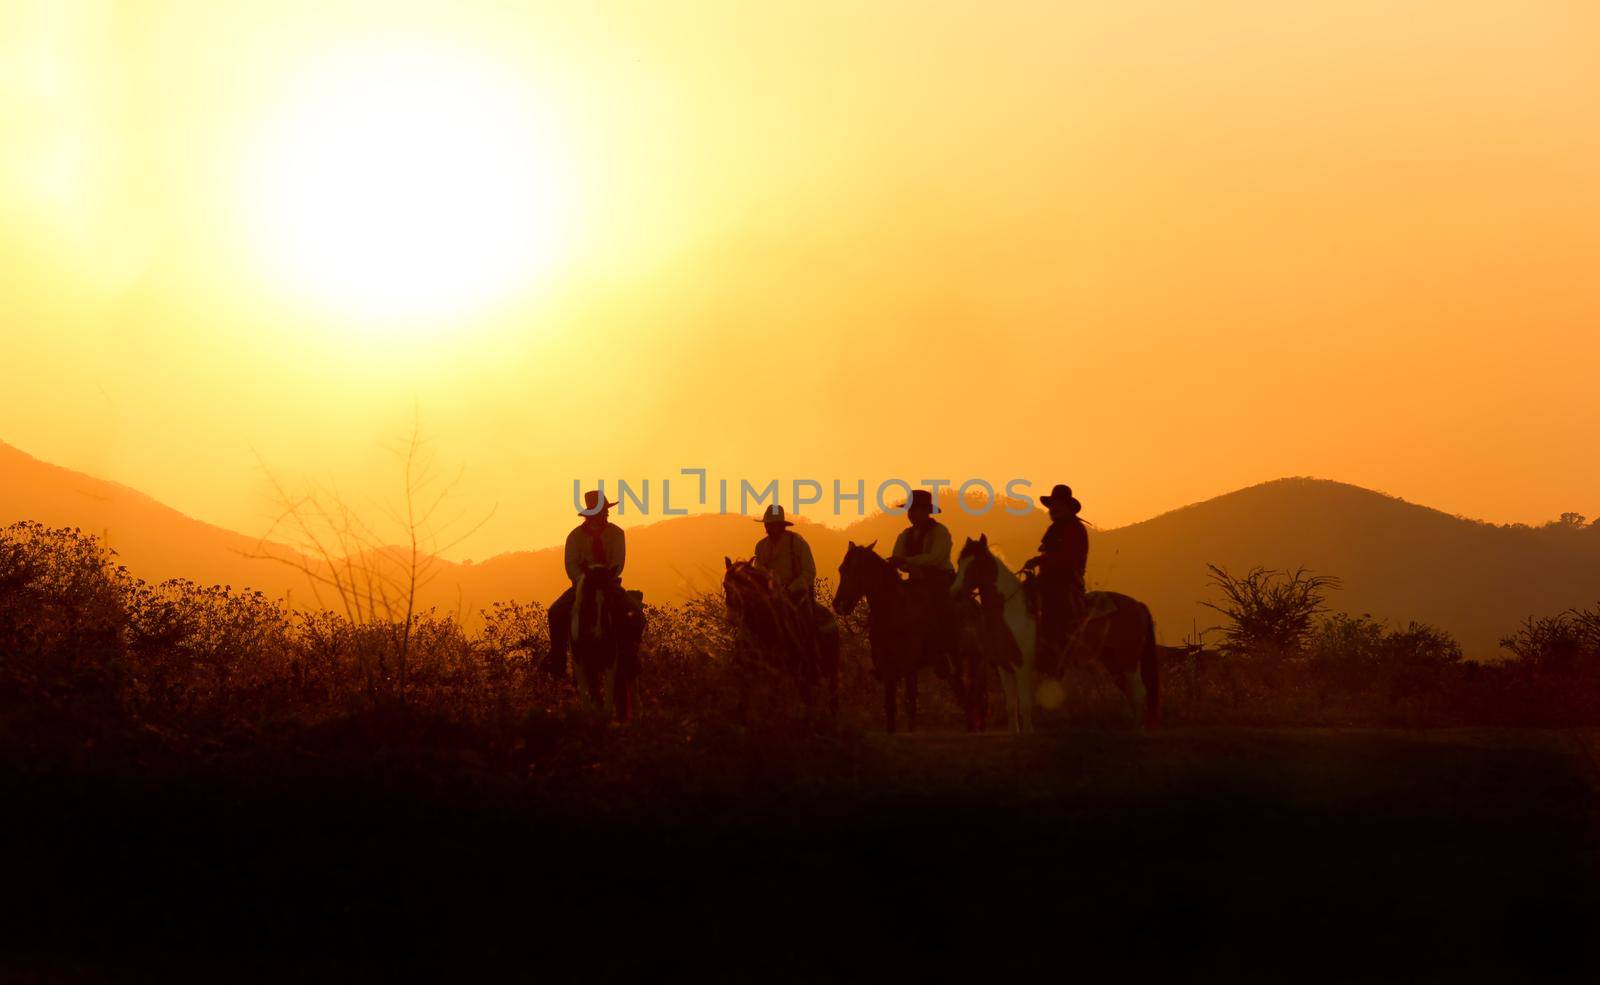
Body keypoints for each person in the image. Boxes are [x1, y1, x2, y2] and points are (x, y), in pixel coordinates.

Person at [545, 490, 626, 678]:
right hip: (583, 585)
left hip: (608, 583)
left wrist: (605, 578)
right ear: (591, 514)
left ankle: (631, 655)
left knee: (633, 613)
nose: (605, 514)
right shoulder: (574, 537)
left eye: (605, 510)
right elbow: (571, 564)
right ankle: (558, 659)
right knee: (556, 612)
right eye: (602, 511)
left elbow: (618, 562)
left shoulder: (617, 534)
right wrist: (583, 581)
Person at [887, 488, 956, 676]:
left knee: (938, 609)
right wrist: (903, 564)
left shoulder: (940, 532)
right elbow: (898, 556)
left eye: (915, 510)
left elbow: (935, 558)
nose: (911, 514)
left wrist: (907, 562)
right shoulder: (905, 535)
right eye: (910, 510)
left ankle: (943, 653)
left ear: (926, 511)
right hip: (916, 580)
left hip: (940, 579)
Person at [1023, 483, 1089, 672]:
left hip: (1066, 581)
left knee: (1053, 612)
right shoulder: (1055, 528)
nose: (1053, 509)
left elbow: (1068, 558)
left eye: (1057, 505)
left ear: (1068, 507)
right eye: (1052, 506)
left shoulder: (1075, 529)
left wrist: (1040, 560)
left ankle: (1053, 654)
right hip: (1048, 579)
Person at [751, 504, 817, 605]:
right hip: (769, 598)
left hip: (797, 597)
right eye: (767, 524)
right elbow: (758, 573)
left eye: (773, 524)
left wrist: (790, 589)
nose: (769, 527)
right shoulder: (760, 546)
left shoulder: (797, 543)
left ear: (781, 525)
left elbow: (809, 572)